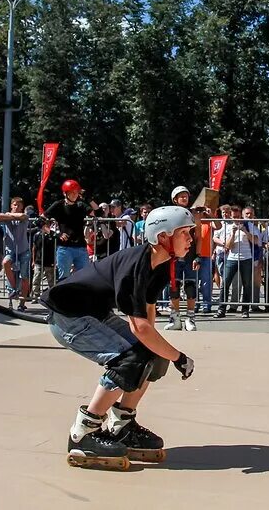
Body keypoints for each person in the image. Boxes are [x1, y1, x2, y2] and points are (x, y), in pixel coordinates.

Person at [43, 205, 196, 470]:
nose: (191, 239)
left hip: (92, 315)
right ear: (163, 237)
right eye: (185, 233)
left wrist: (158, 354)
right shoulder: (135, 265)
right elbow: (138, 328)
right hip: (69, 318)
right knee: (129, 359)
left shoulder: (160, 264)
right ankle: (84, 433)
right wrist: (177, 357)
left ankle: (121, 425)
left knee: (149, 354)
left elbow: (147, 316)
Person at [166, 188, 201, 332]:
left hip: (190, 254)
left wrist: (198, 255)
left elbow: (198, 236)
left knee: (190, 286)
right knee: (174, 286)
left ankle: (190, 318)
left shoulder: (193, 214)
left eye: (186, 196)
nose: (185, 198)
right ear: (175, 199)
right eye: (181, 196)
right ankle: (175, 318)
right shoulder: (170, 214)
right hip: (174, 255)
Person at [45, 179, 94, 280]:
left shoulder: (81, 205)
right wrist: (56, 234)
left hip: (81, 246)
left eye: (76, 192)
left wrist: (88, 199)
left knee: (84, 277)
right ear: (65, 193)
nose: (74, 195)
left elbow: (98, 213)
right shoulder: (58, 205)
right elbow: (40, 222)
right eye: (71, 193)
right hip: (64, 247)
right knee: (64, 278)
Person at [213, 204, 254, 318]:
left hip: (246, 258)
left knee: (246, 284)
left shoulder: (248, 225)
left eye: (237, 216)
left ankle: (245, 310)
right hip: (232, 258)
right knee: (225, 284)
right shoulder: (227, 227)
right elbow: (227, 246)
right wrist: (233, 233)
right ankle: (221, 309)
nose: (236, 219)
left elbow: (256, 241)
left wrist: (245, 231)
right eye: (234, 217)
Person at [0, 197, 33, 310]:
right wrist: (9, 216)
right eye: (14, 205)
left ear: (22, 206)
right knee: (5, 262)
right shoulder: (7, 216)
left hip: (24, 250)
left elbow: (23, 216)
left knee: (24, 276)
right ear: (11, 205)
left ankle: (22, 303)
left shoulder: (25, 216)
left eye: (18, 205)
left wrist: (9, 216)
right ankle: (13, 289)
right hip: (11, 250)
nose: (16, 207)